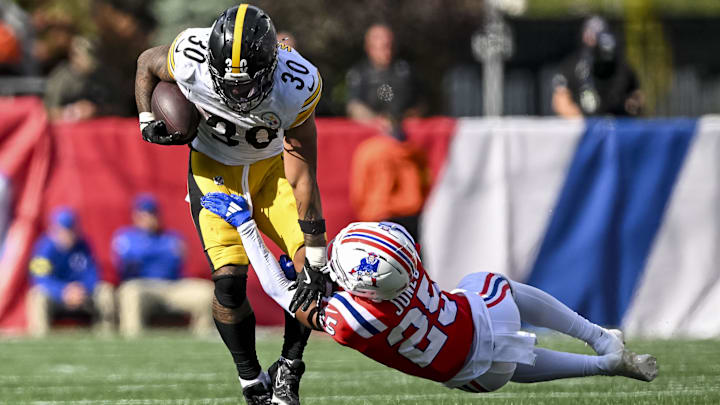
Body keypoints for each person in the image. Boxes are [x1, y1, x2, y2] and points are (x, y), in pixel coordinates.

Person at [200, 192, 659, 398]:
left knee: (507, 363)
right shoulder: (400, 264)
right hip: (472, 318)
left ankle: (603, 364)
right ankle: (597, 337)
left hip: (471, 376)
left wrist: (245, 226)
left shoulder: (354, 319)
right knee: (497, 287)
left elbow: (283, 293)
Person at [134, 4, 328, 405]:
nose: (237, 92)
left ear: (271, 66)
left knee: (311, 274)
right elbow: (146, 63)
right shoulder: (192, 55)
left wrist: (317, 250)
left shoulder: (296, 83)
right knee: (228, 283)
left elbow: (303, 172)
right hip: (213, 171)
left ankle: (290, 367)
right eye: (229, 82)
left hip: (270, 172)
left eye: (246, 84)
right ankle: (250, 380)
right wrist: (144, 119)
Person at [112, 194, 213, 337]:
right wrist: (155, 252)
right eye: (143, 214)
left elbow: (175, 260)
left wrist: (148, 253)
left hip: (172, 286)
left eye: (151, 214)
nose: (148, 218)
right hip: (144, 286)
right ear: (135, 216)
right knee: (131, 292)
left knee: (206, 292)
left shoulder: (172, 237)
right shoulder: (126, 237)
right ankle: (132, 339)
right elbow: (126, 263)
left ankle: (202, 339)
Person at [26, 207, 115, 336]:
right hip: (57, 296)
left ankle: (106, 334)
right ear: (54, 229)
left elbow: (93, 273)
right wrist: (63, 291)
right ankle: (40, 336)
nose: (67, 234)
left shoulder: (84, 245)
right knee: (37, 295)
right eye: (63, 230)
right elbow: (40, 279)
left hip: (82, 294)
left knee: (105, 291)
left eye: (70, 229)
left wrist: (82, 289)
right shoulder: (43, 247)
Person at [552, 16, 644, 117]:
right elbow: (560, 101)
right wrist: (584, 124)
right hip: (585, 126)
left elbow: (635, 96)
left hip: (617, 126)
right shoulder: (570, 67)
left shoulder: (622, 68)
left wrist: (631, 108)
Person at [346, 24, 423, 140]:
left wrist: (408, 117)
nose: (387, 51)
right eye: (383, 47)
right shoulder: (359, 73)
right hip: (370, 137)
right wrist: (377, 121)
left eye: (390, 46)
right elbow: (354, 106)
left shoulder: (405, 70)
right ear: (369, 47)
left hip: (404, 136)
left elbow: (420, 103)